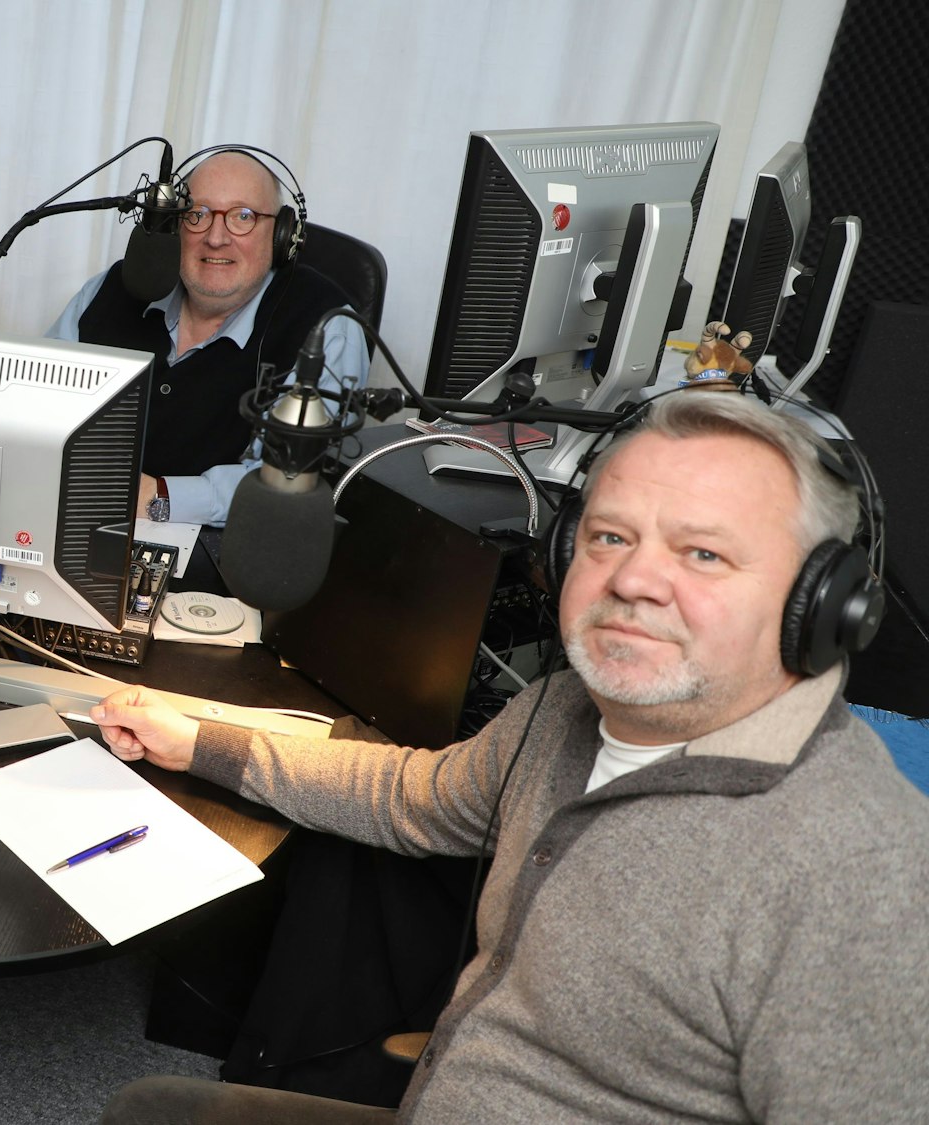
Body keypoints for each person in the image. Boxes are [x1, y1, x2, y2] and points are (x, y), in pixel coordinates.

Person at [91, 391, 929, 1123]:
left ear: (820, 604)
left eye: (702, 553)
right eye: (607, 536)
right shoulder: (568, 708)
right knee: (148, 1108)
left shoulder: (862, 877)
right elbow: (415, 796)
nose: (633, 579)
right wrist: (201, 741)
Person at [49, 151, 369, 526]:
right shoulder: (110, 290)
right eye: (196, 215)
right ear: (174, 225)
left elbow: (287, 479)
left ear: (284, 234)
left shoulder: (327, 328)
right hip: (72, 516)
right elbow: (35, 411)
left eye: (243, 217)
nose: (216, 238)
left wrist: (159, 497)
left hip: (220, 556)